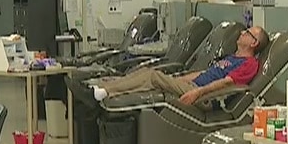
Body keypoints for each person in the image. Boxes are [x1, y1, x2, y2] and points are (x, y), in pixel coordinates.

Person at [92, 26, 269, 105]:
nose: (241, 32)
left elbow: (226, 84)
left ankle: (106, 91)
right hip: (192, 85)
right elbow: (206, 73)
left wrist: (197, 92)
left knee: (152, 76)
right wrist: (176, 79)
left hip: (204, 96)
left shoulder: (249, 64)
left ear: (254, 43)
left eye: (247, 33)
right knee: (148, 73)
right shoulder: (232, 57)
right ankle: (105, 87)